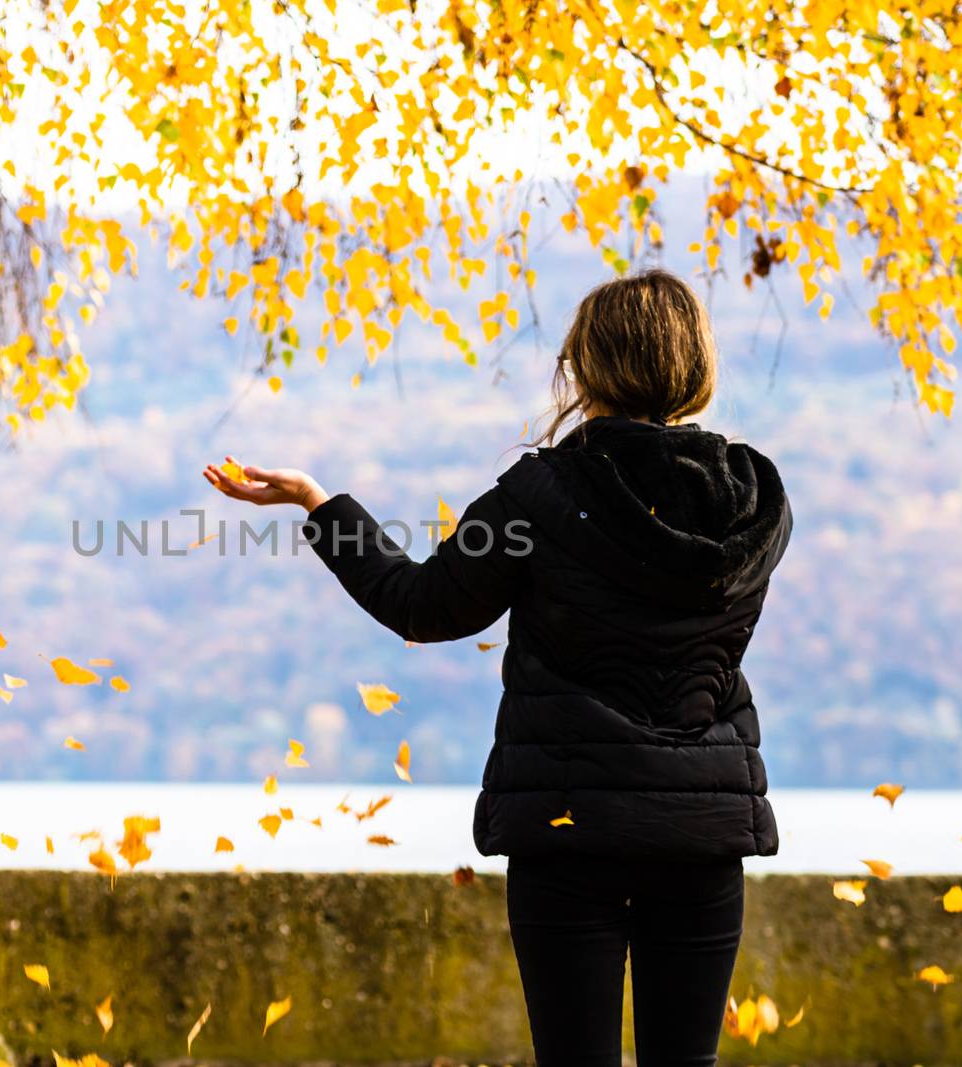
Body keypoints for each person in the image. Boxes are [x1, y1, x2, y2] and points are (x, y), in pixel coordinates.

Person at [204, 268, 793, 1066]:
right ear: (695, 367)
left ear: (586, 368)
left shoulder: (538, 498)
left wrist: (322, 506)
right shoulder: (752, 503)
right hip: (700, 834)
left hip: (568, 829)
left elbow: (423, 604)